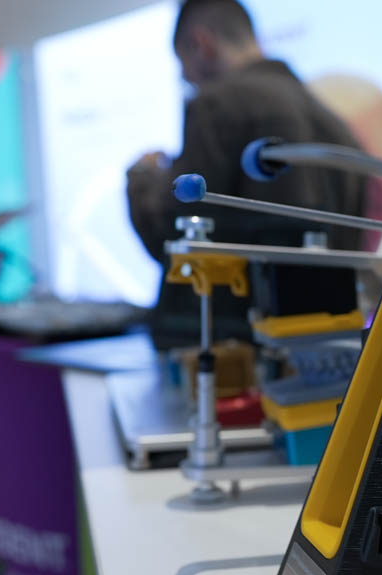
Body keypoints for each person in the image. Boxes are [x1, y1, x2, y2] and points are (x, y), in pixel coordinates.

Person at [126, 0, 366, 347]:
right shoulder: (334, 123)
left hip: (229, 351)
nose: (187, 80)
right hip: (322, 346)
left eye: (184, 69)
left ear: (202, 43)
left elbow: (170, 237)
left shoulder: (217, 104)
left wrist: (141, 176)